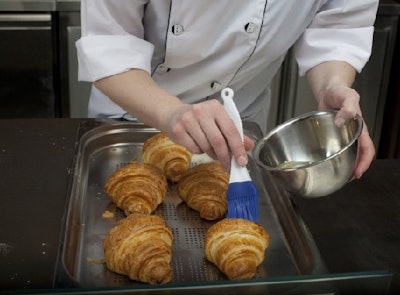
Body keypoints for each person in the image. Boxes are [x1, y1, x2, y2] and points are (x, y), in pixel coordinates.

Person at [76, 0, 378, 179]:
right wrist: (172, 113)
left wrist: (333, 84)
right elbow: (109, 42)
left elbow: (337, 24)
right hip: (134, 115)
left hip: (239, 125)